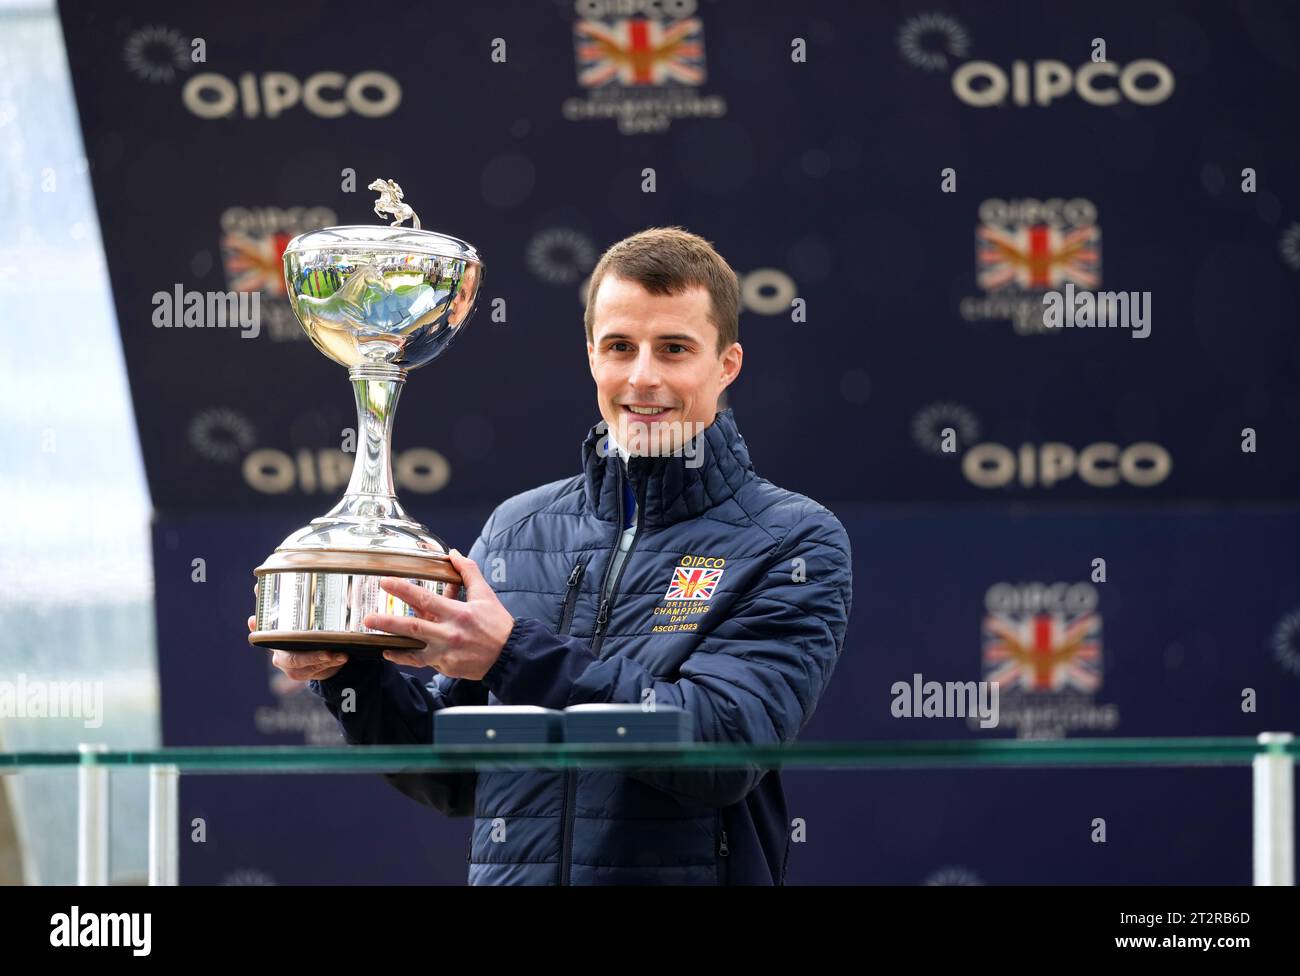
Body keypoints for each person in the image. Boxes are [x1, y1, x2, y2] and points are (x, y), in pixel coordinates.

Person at [253, 226, 853, 884]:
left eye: (674, 349)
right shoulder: (517, 528)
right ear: (592, 356)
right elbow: (450, 776)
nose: (642, 376)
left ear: (727, 364)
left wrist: (513, 655)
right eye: (620, 347)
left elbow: (721, 750)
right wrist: (348, 676)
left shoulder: (794, 539)